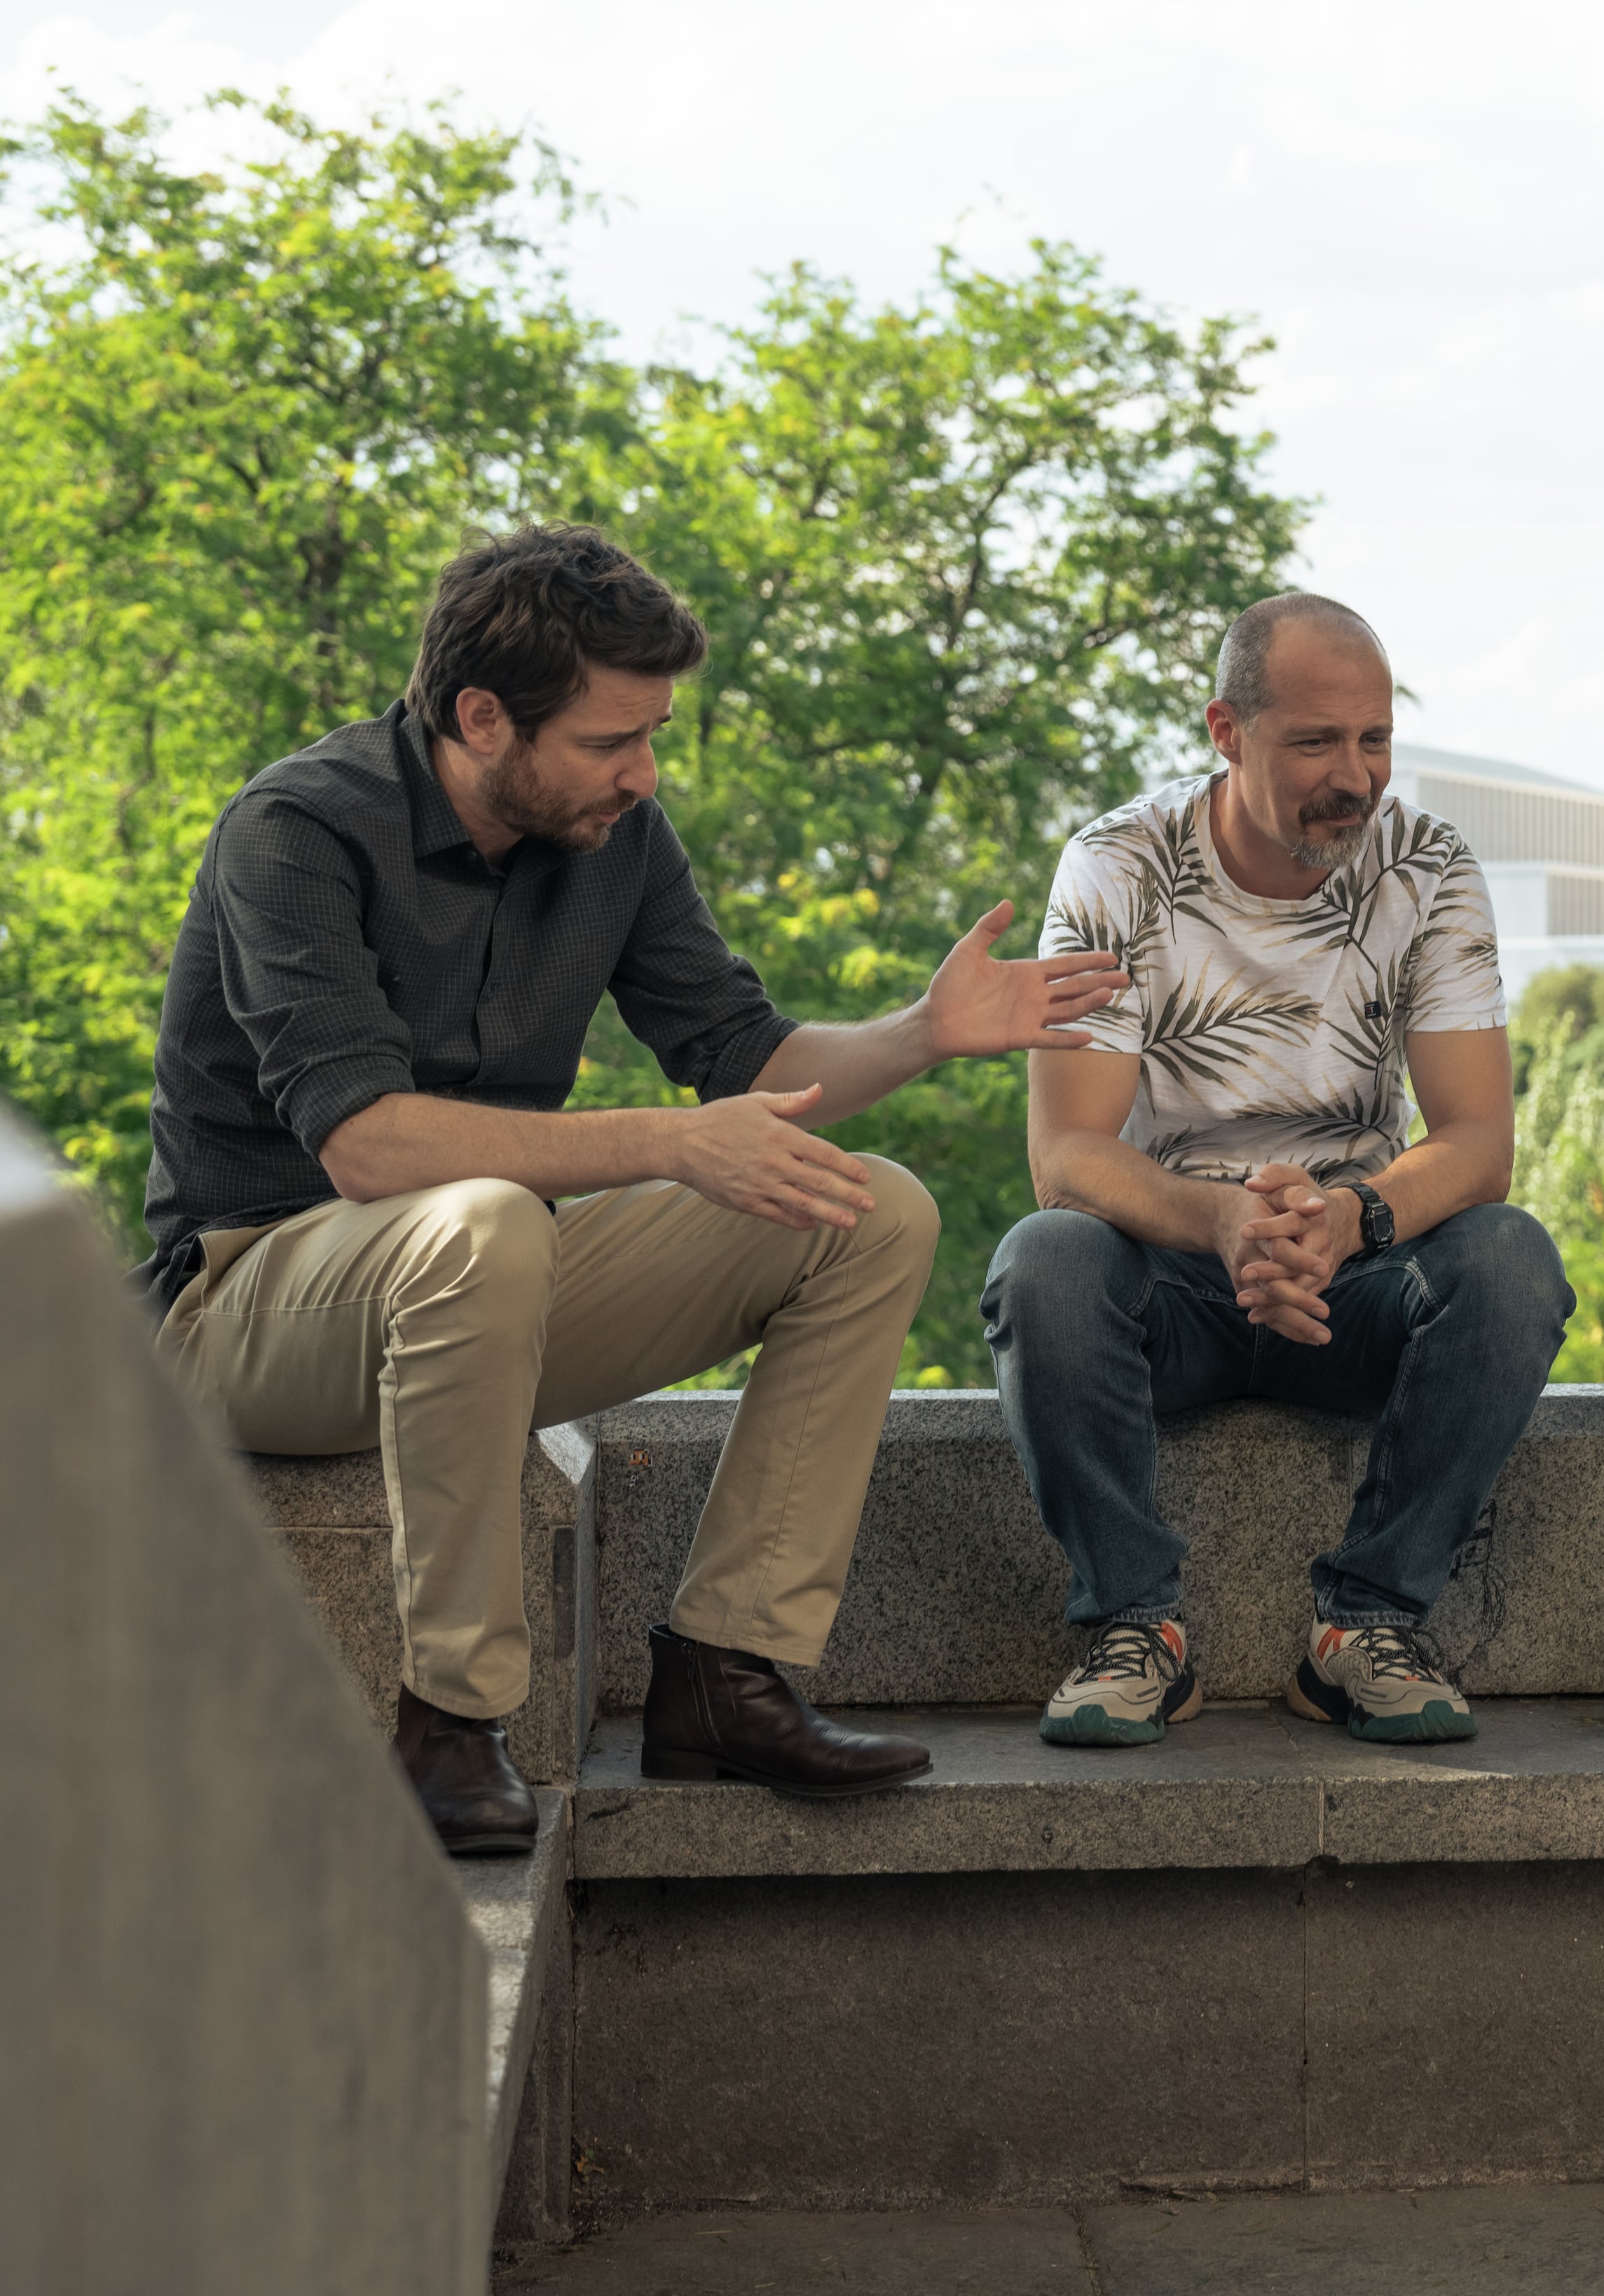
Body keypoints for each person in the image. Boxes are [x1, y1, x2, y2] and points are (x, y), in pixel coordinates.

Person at [144, 525, 1123, 1855]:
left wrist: (921, 1033)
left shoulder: (616, 837)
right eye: (610, 741)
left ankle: (728, 1671)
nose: (643, 774)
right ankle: (451, 1723)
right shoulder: (298, 831)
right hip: (248, 1312)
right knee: (487, 1220)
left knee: (870, 1210)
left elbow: (750, 1065)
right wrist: (668, 1142)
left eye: (653, 735)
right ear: (481, 717)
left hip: (482, 1298)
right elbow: (367, 1149)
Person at [985, 593, 1572, 1749]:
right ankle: (1134, 1630)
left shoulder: (1429, 866)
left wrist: (1351, 1218)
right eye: (1315, 743)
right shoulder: (1118, 863)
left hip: (1351, 1273)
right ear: (1227, 730)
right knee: (1043, 1260)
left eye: (1375, 739)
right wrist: (1221, 1223)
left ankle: (1368, 1627)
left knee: (1512, 1260)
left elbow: (1478, 1142)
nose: (1355, 777)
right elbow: (1068, 1157)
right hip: (1171, 1278)